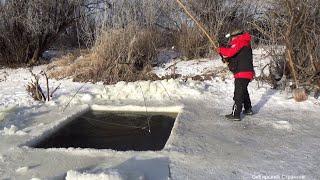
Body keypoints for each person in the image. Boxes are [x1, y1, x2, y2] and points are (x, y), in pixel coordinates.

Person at [217, 30, 255, 121]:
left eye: (232, 37)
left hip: (242, 73)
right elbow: (235, 56)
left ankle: (236, 114)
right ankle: (248, 109)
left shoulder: (240, 42)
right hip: (245, 72)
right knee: (243, 91)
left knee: (238, 94)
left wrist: (220, 49)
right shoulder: (244, 43)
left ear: (237, 36)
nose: (231, 39)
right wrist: (226, 59)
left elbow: (230, 52)